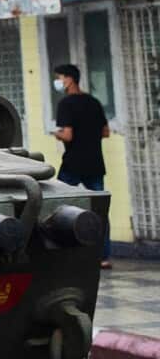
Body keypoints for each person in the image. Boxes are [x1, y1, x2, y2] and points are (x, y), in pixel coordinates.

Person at [52, 63, 112, 268]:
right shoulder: (93, 102)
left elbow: (68, 135)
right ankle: (104, 257)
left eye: (60, 77)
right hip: (95, 163)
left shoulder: (66, 104)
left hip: (73, 163)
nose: (58, 82)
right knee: (100, 209)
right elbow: (105, 132)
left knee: (57, 206)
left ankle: (58, 254)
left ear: (69, 80)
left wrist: (57, 134)